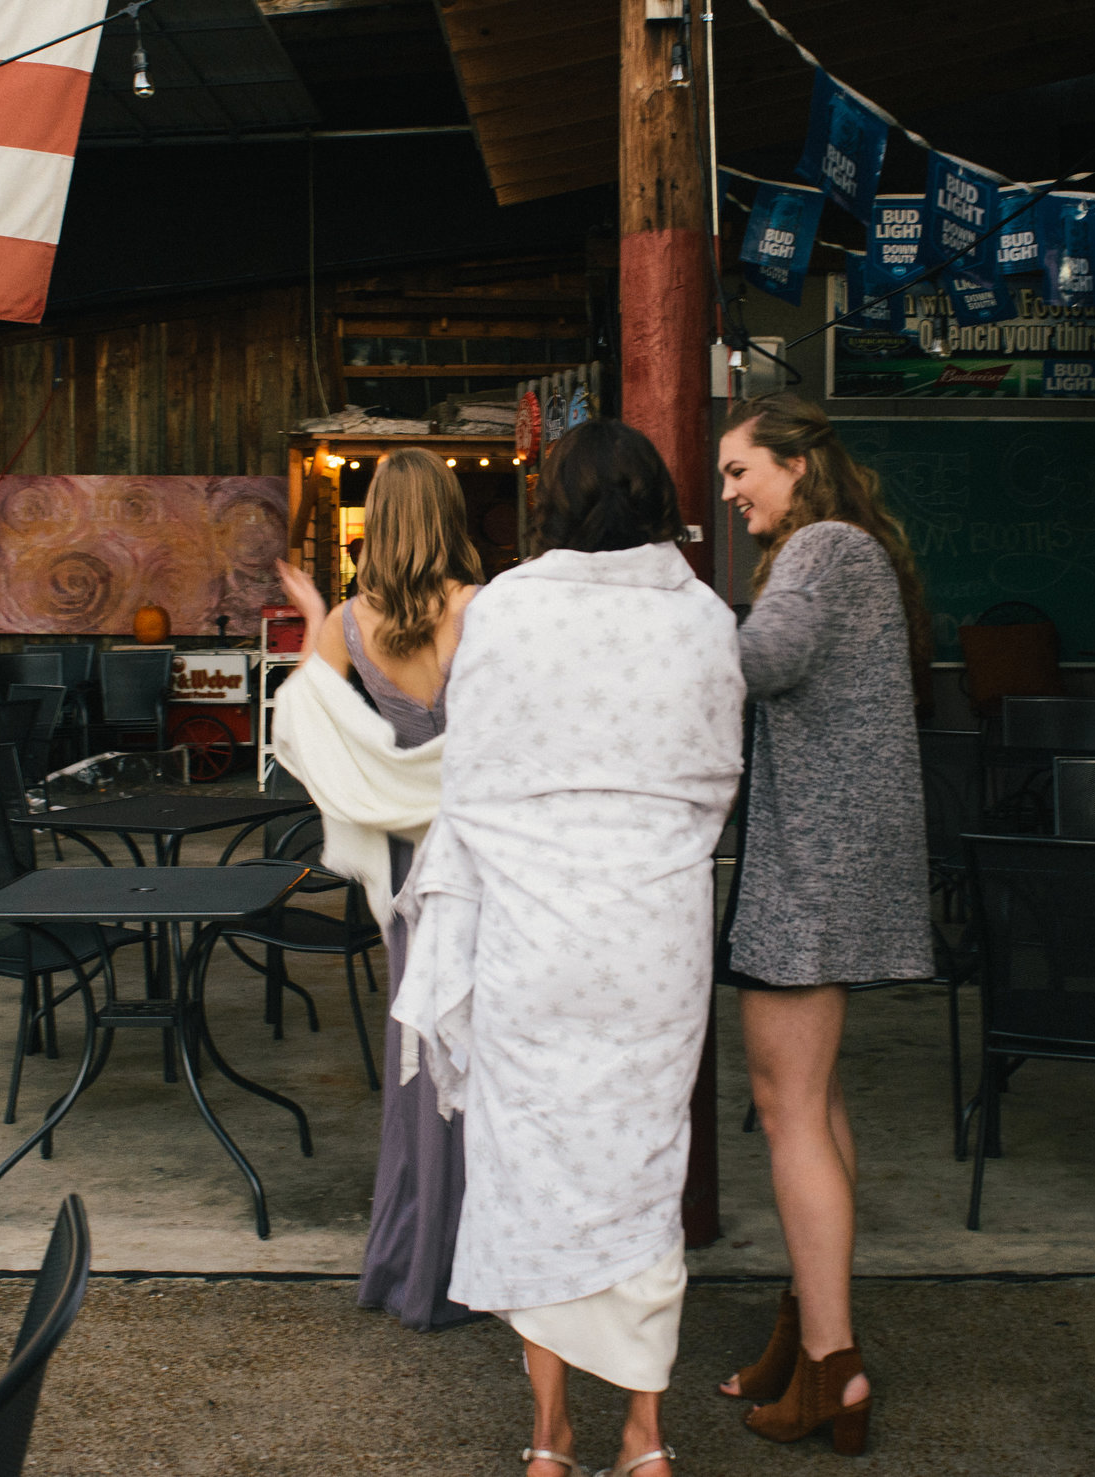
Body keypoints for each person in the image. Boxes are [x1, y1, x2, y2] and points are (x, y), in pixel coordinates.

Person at [390, 419, 743, 1477]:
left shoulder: (507, 608)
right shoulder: (702, 616)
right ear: (657, 501)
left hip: (533, 929)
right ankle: (645, 1435)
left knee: (528, 1165)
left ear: (553, 502)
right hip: (652, 931)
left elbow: (475, 779)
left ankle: (550, 1438)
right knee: (642, 1168)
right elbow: (717, 774)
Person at [711, 393, 933, 1457]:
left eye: (740, 468)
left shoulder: (820, 550)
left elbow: (754, 664)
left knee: (783, 1101)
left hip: (814, 866)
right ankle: (805, 1335)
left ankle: (835, 1370)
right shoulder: (851, 549)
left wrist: (667, 608)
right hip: (837, 857)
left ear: (796, 465)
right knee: (817, 1098)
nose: (729, 490)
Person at [270, 447, 483, 1332]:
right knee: (485, 1046)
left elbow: (309, 710)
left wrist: (317, 611)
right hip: (480, 855)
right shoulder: (485, 608)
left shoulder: (353, 624)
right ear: (449, 513)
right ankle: (482, 1259)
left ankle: (410, 1260)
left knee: (418, 1051)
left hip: (407, 862)